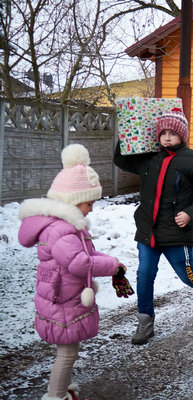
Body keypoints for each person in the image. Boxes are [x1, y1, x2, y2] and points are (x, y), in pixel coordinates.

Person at [18, 144, 132, 400]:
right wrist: (113, 266)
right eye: (88, 203)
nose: (91, 208)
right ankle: (55, 396)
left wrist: (113, 260)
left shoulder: (68, 225)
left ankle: (63, 393)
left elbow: (88, 255)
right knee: (67, 354)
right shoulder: (59, 230)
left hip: (65, 298)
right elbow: (80, 263)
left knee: (69, 353)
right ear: (71, 200)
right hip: (63, 303)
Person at [114, 107, 193, 345]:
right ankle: (145, 321)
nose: (167, 137)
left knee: (187, 275)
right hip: (148, 230)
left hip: (177, 231)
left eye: (172, 133)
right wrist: (125, 130)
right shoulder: (148, 157)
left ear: (182, 135)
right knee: (145, 274)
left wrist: (190, 214)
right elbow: (120, 159)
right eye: (163, 132)